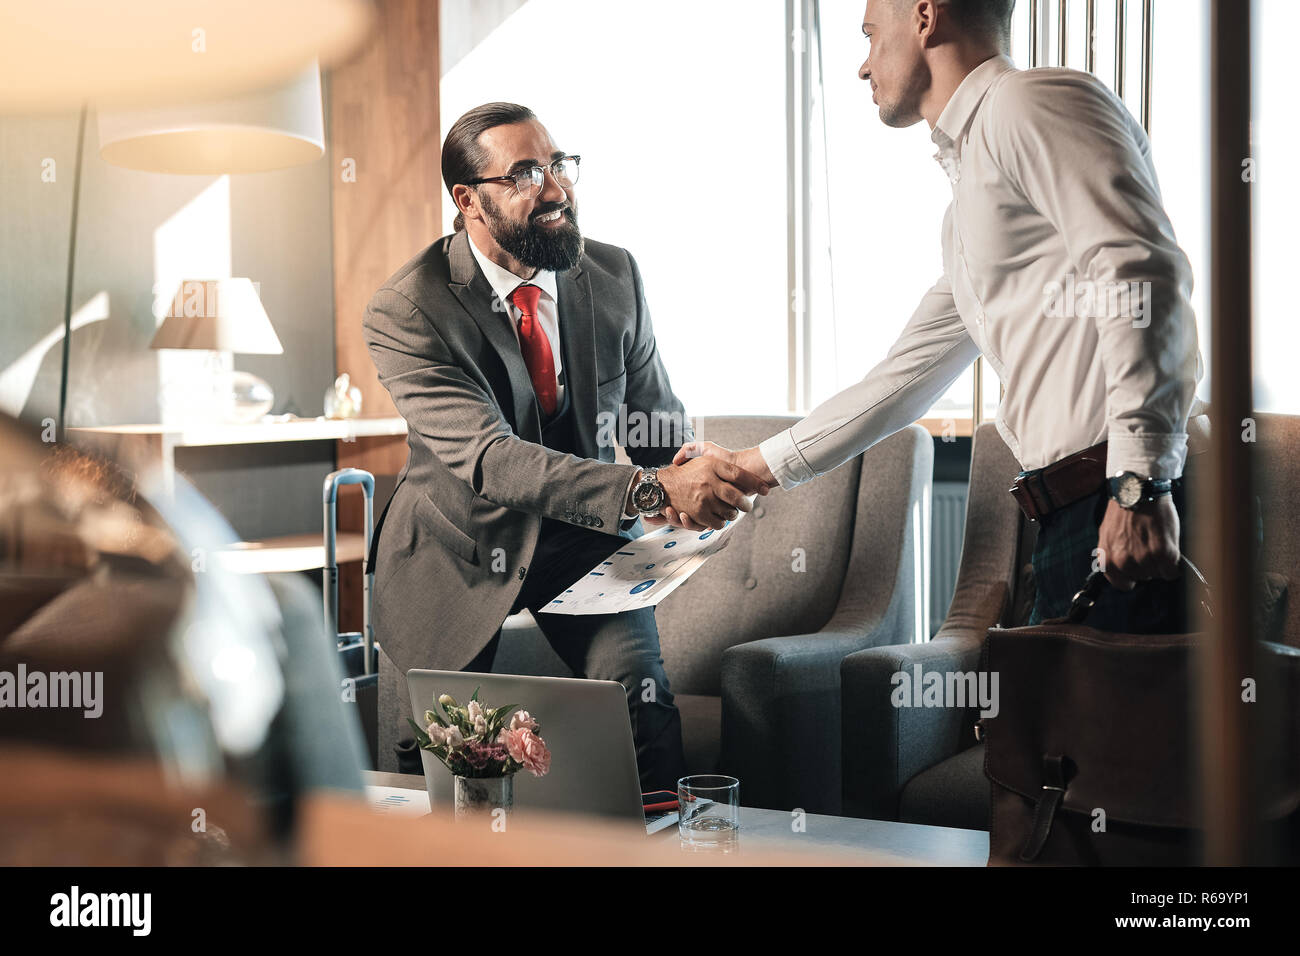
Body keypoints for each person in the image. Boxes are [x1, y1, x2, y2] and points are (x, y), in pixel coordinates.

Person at [677, 0, 1204, 634]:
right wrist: (747, 467)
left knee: (1142, 735)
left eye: (870, 36)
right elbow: (899, 382)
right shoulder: (965, 215)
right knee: (1066, 734)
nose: (862, 66)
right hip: (1073, 512)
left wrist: (1141, 484)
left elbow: (1143, 277)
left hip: (1128, 501)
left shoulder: (1029, 104)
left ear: (925, 17)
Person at [363, 102, 768, 790]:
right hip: (453, 550)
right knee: (434, 765)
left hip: (581, 537)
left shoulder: (615, 277)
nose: (554, 189)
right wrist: (646, 491)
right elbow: (490, 460)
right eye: (523, 173)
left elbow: (655, 424)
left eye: (557, 165)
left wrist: (687, 464)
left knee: (641, 706)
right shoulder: (408, 308)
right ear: (469, 201)